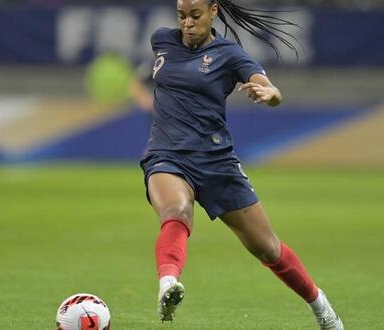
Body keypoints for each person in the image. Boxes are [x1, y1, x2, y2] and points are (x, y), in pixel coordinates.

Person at [139, 0, 344, 329]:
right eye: (181, 16)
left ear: (213, 11)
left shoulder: (229, 54)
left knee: (268, 249)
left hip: (217, 161)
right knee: (176, 211)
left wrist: (271, 94)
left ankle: (323, 309)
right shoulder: (161, 40)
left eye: (195, 15)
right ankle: (168, 284)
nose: (187, 23)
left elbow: (267, 86)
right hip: (168, 154)